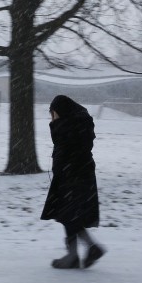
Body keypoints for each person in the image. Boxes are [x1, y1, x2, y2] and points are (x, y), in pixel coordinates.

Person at [41, 95, 106, 269]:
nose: (52, 118)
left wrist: (56, 124)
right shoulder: (78, 123)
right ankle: (83, 251)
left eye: (53, 113)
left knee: (69, 215)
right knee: (70, 216)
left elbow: (63, 148)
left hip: (71, 177)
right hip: (78, 176)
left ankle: (77, 254)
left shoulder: (67, 126)